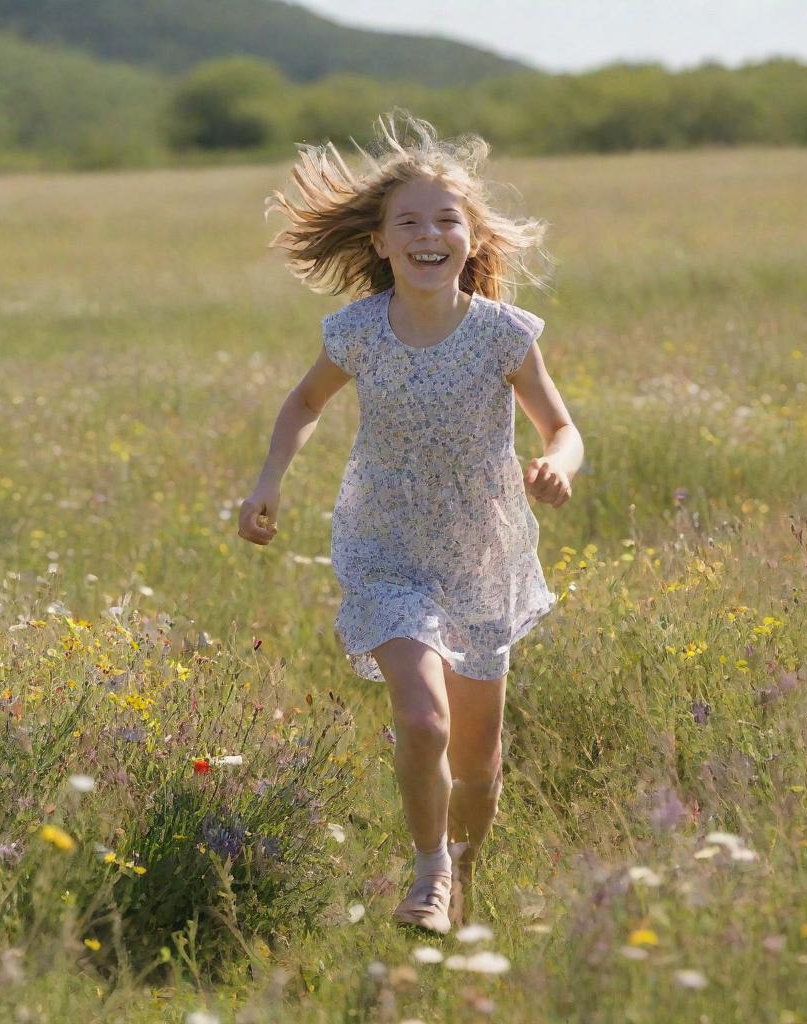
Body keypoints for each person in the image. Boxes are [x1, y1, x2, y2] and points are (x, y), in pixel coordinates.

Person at [238, 109, 583, 935]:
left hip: (481, 549)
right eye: (409, 223)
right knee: (422, 720)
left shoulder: (504, 334)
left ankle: (463, 874)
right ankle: (428, 871)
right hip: (385, 542)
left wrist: (556, 468)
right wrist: (269, 481)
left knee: (476, 760)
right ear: (383, 244)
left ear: (471, 239)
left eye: (446, 220)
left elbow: (563, 428)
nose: (429, 234)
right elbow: (304, 402)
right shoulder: (357, 331)